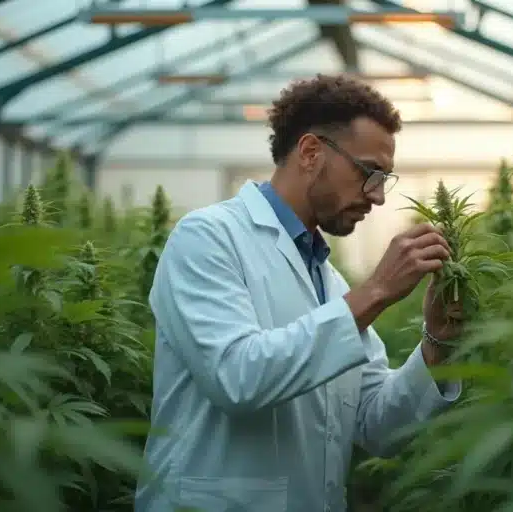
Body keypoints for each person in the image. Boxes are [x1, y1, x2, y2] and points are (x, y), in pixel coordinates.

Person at [134, 74, 463, 512]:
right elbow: (237, 378)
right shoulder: (207, 238)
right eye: (369, 173)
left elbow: (376, 424)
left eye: (385, 178)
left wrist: (436, 343)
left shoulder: (329, 282)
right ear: (311, 152)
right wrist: (378, 291)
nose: (378, 196)